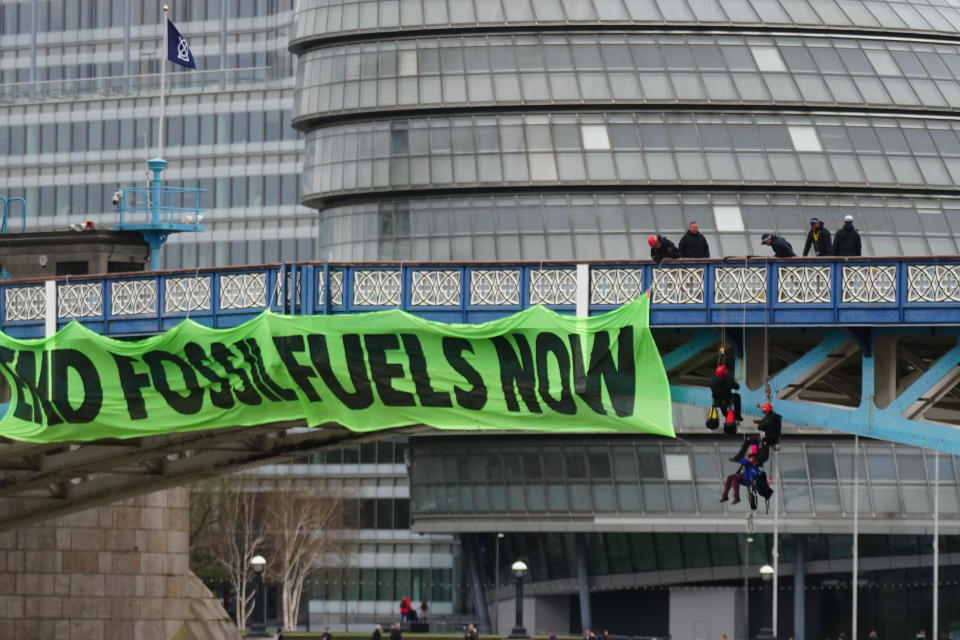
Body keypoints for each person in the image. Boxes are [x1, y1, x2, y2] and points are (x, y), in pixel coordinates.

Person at [710, 365, 742, 431]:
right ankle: (737, 415)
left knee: (721, 401)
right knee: (737, 396)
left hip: (717, 400)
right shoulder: (728, 380)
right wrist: (731, 381)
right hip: (727, 399)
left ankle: (725, 414)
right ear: (724, 372)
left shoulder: (713, 380)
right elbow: (737, 387)